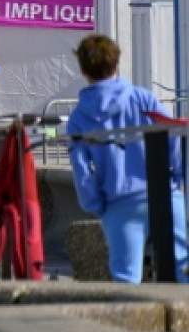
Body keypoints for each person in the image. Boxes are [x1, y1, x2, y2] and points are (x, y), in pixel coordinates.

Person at [67, 33, 189, 283]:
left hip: (118, 202)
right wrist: (177, 179)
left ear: (83, 69)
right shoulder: (143, 99)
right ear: (116, 64)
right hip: (164, 195)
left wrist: (96, 205)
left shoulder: (78, 118)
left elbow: (82, 172)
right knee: (182, 268)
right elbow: (174, 136)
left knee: (126, 276)